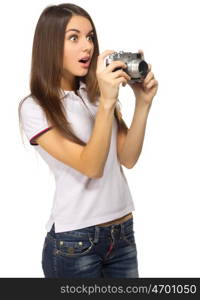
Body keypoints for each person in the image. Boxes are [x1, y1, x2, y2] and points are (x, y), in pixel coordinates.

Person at [18, 3, 158, 278]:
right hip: (76, 242)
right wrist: (107, 101)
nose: (88, 47)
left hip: (123, 232)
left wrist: (142, 103)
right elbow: (91, 166)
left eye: (90, 37)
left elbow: (127, 158)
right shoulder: (35, 107)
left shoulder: (95, 95)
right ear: (50, 45)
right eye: (74, 37)